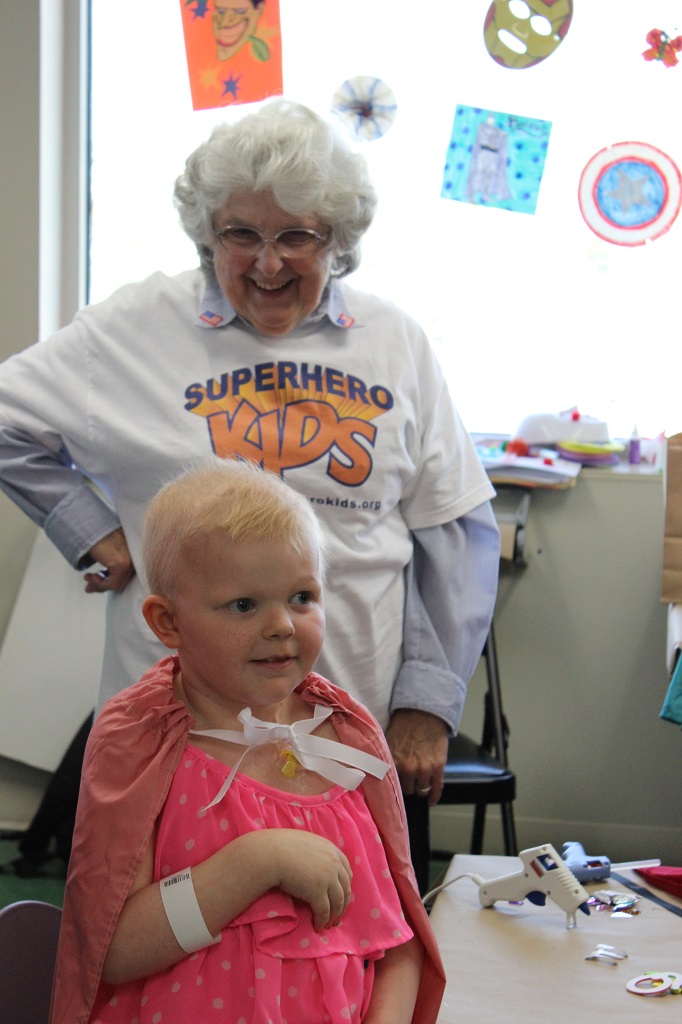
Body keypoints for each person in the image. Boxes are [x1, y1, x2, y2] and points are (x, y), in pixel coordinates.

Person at [0, 98, 499, 890]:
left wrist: (427, 705)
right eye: (241, 235)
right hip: (174, 733)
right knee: (161, 937)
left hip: (345, 722)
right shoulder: (131, 328)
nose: (267, 264)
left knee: (339, 942)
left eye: (296, 235)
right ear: (208, 234)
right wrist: (90, 529)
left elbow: (455, 530)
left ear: (338, 241)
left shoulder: (394, 341)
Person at [50, 457, 446, 1024]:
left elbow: (396, 939)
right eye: (244, 604)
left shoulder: (344, 736)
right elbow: (113, 949)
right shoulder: (138, 742)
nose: (282, 624)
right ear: (168, 623)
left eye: (303, 597)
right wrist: (255, 862)